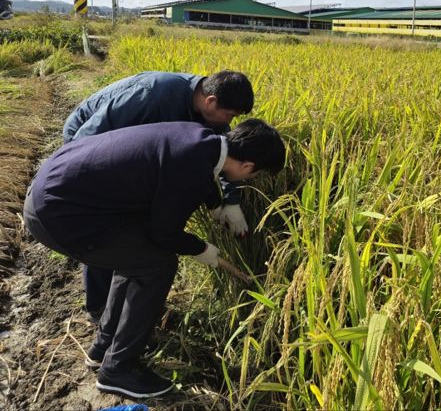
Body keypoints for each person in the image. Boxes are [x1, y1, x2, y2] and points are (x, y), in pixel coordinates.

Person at [23, 119, 285, 398]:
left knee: (137, 256)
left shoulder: (199, 138)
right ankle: (118, 370)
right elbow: (164, 234)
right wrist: (202, 249)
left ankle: (104, 346)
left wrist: (217, 206)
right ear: (247, 167)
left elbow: (195, 174)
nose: (249, 180)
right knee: (157, 263)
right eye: (253, 176)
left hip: (50, 189)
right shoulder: (192, 167)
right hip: (58, 214)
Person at [63, 70, 255, 322]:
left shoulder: (213, 114)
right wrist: (76, 179)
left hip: (136, 160)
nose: (228, 122)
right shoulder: (152, 95)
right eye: (229, 115)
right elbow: (91, 133)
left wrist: (227, 202)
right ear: (210, 102)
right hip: (88, 144)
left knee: (137, 227)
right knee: (108, 227)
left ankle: (128, 299)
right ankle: (99, 307)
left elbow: (219, 155)